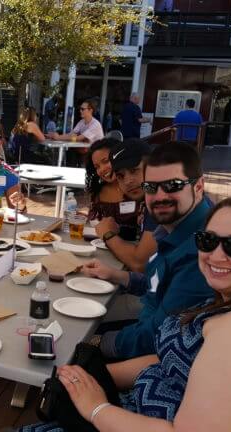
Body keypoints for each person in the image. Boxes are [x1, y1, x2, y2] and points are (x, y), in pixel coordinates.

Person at [24, 194, 231, 432]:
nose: (216, 255)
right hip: (135, 409)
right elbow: (176, 360)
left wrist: (97, 409)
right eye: (207, 241)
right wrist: (97, 376)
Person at [80, 141, 214, 360]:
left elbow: (157, 333)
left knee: (77, 331)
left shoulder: (203, 251)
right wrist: (117, 275)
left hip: (154, 351)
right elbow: (159, 286)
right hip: (147, 324)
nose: (159, 196)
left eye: (172, 185)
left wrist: (95, 344)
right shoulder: (175, 227)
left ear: (198, 186)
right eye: (151, 187)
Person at [94, 139, 157, 272]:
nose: (128, 181)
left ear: (152, 166)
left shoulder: (160, 202)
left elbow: (139, 264)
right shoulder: (149, 198)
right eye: (121, 176)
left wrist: (108, 234)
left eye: (134, 171)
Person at [84, 137, 124, 223]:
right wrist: (86, 218)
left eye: (106, 161)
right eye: (97, 167)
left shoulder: (137, 189)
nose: (102, 169)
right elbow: (95, 222)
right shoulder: (98, 192)